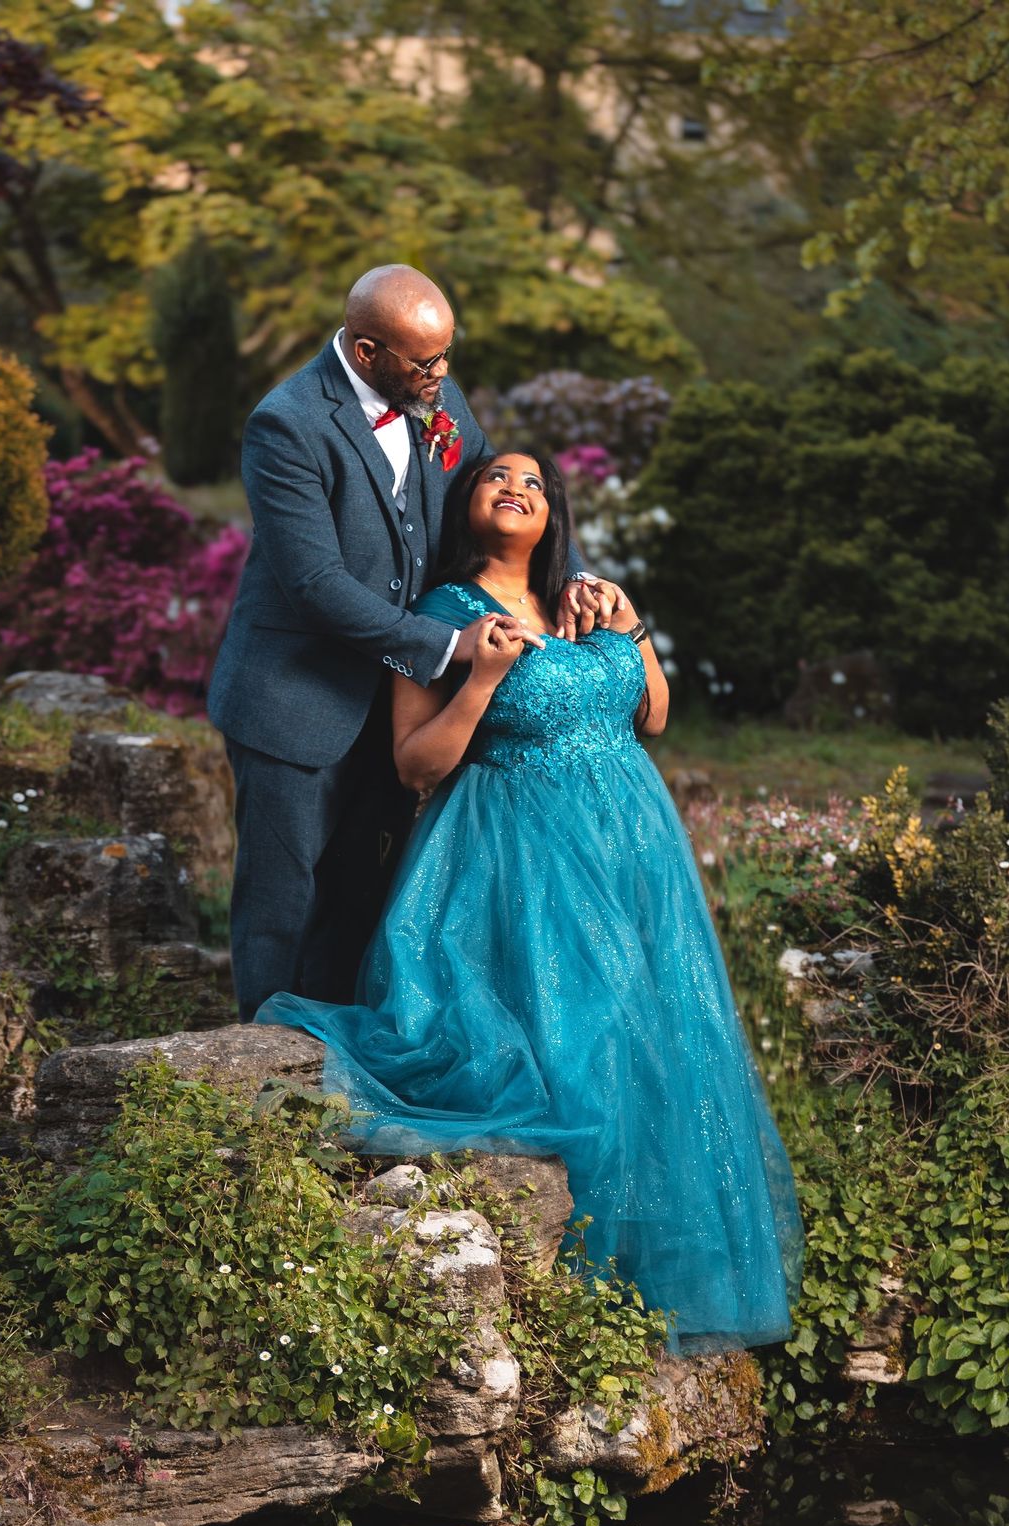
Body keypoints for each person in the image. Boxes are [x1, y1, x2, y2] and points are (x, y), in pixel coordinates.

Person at [259, 447, 803, 1348]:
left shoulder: (588, 601)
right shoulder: (439, 614)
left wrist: (631, 631)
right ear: (464, 505)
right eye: (493, 478)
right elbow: (413, 765)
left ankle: (661, 1276)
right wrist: (479, 679)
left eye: (533, 483)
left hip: (632, 842)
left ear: (553, 513)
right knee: (579, 1037)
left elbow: (652, 716)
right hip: (518, 848)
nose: (515, 489)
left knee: (657, 1035)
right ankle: (584, 1288)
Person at [208, 266, 612, 1020]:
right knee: (282, 898)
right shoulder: (286, 424)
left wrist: (570, 581)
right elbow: (318, 586)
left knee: (362, 891)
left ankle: (334, 1060)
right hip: (294, 695)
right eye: (426, 362)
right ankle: (259, 1069)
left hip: (396, 706)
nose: (444, 375)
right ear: (366, 352)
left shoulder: (437, 398)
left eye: (448, 353)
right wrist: (449, 646)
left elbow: (491, 488)